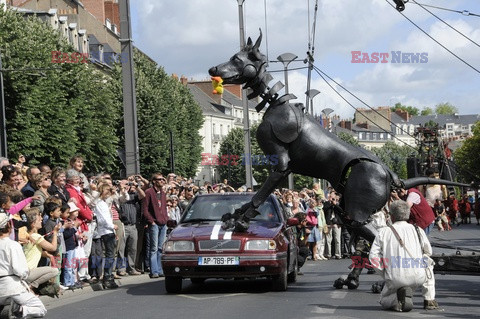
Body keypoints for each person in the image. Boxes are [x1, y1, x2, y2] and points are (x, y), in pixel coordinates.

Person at [369, 200, 438, 312]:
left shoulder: (384, 232)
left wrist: (384, 272)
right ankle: (429, 299)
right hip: (419, 277)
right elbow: (428, 251)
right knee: (428, 262)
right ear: (408, 214)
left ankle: (397, 300)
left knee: (384, 301)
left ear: (391, 216)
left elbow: (373, 257)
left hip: (395, 277)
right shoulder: (418, 230)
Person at [0, 212, 47, 318]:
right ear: (9, 226)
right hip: (12, 287)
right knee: (40, 309)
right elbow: (20, 270)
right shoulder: (12, 245)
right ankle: (18, 310)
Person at [23, 208, 60, 292]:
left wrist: (46, 254)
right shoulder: (35, 236)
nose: (42, 220)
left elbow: (33, 251)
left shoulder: (29, 235)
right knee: (54, 271)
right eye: (39, 219)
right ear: (33, 224)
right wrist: (55, 233)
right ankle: (31, 286)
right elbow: (53, 248)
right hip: (29, 271)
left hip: (25, 271)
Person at [142, 173, 168, 278]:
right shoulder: (148, 192)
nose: (162, 181)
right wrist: (151, 221)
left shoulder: (162, 193)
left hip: (163, 223)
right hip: (154, 223)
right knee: (153, 248)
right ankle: (154, 271)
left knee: (161, 248)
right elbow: (145, 209)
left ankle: (160, 269)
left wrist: (166, 219)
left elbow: (164, 208)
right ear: (154, 181)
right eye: (160, 179)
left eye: (163, 179)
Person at [94, 183, 118, 289]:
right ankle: (107, 278)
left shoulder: (103, 203)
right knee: (109, 255)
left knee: (111, 255)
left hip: (108, 230)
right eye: (107, 190)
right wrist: (112, 226)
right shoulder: (100, 203)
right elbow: (104, 218)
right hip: (106, 231)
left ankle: (109, 276)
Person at [324, 191, 343, 259]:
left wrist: (335, 204)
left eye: (333, 197)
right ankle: (328, 254)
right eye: (331, 197)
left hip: (337, 223)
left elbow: (342, 211)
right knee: (328, 240)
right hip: (329, 223)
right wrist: (330, 203)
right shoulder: (326, 203)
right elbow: (325, 210)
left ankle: (338, 254)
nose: (332, 198)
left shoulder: (339, 203)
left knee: (337, 240)